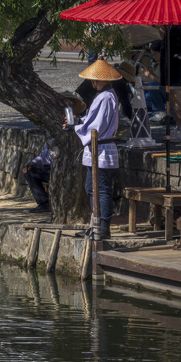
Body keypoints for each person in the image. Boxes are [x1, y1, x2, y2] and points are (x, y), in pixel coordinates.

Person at [69, 60, 121, 240]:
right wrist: (78, 123)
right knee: (92, 187)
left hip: (101, 147)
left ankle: (103, 227)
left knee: (101, 188)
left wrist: (76, 127)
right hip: (98, 147)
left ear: (96, 81)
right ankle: (96, 223)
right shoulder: (106, 96)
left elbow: (96, 126)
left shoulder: (105, 97)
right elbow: (92, 121)